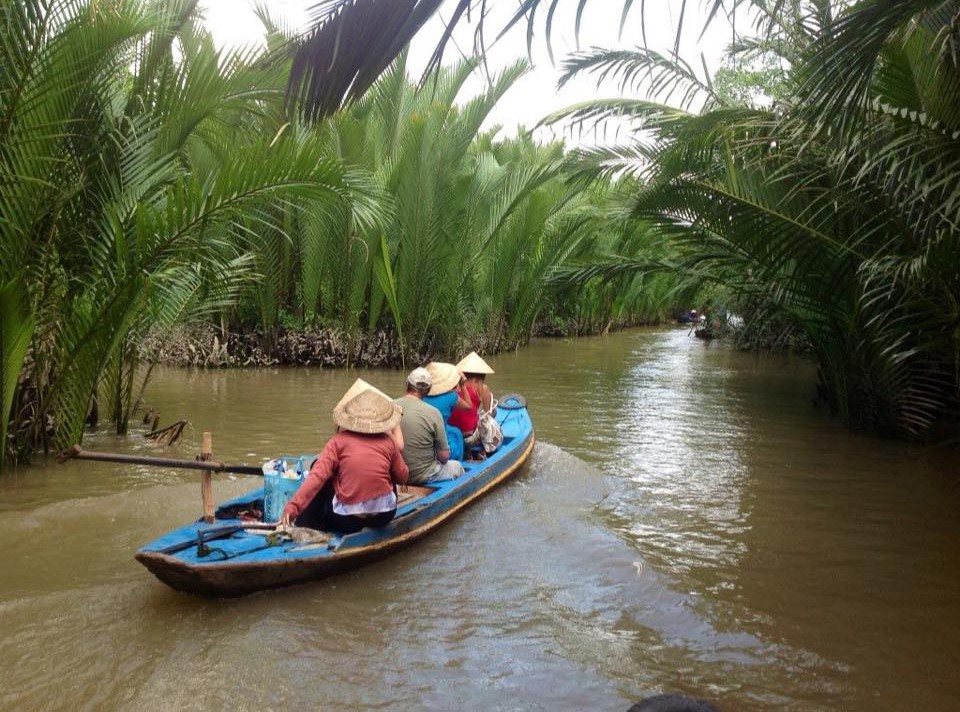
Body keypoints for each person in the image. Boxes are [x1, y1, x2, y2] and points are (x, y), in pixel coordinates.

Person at [280, 379, 408, 533]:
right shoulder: (389, 442)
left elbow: (316, 477)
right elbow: (403, 477)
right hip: (382, 517)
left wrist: (293, 507)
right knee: (390, 474)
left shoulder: (337, 441)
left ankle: (308, 525)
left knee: (321, 472)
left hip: (347, 521)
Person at [395, 367, 465, 484]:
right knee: (457, 466)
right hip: (422, 475)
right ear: (428, 390)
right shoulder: (433, 412)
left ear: (407, 384)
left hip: (396, 473)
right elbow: (444, 457)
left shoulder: (390, 405)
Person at [423, 361, 472, 461]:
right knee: (457, 434)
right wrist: (462, 385)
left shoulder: (420, 396)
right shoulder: (451, 397)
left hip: (425, 434)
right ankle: (459, 464)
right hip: (439, 438)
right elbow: (468, 406)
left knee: (454, 430)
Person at [451, 351, 495, 460]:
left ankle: (467, 452)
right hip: (469, 438)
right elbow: (487, 414)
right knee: (489, 421)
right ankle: (485, 452)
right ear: (479, 379)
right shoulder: (483, 388)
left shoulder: (453, 386)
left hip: (452, 435)